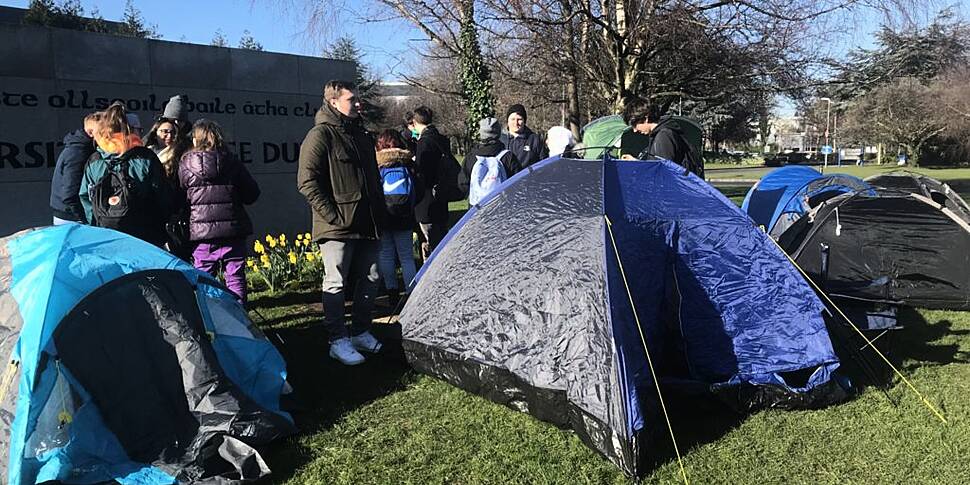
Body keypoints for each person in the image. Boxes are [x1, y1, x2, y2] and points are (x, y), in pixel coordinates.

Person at [298, 80, 386, 366]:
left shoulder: (361, 136)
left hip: (367, 224)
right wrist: (334, 216)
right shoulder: (319, 135)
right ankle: (337, 339)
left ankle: (360, 331)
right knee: (335, 283)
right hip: (337, 227)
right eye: (352, 99)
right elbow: (307, 182)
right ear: (334, 102)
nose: (358, 103)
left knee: (372, 277)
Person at [179, 119, 260, 303]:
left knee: (204, 279)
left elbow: (181, 198)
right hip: (233, 229)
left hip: (202, 234)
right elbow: (252, 194)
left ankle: (211, 321)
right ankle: (239, 321)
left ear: (195, 140)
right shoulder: (232, 162)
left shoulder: (185, 165)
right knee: (235, 278)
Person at [79, 102, 171, 246]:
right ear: (129, 130)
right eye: (137, 129)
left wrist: (96, 225)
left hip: (107, 237)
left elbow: (85, 196)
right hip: (144, 237)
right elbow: (162, 197)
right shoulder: (145, 158)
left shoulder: (95, 160)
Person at [375, 129, 421, 307]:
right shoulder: (408, 164)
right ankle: (410, 293)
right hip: (404, 217)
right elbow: (418, 188)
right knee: (407, 257)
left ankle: (392, 292)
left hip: (385, 216)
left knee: (386, 256)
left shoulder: (378, 165)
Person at [411, 105, 452, 258]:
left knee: (431, 239)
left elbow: (423, 173)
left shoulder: (424, 142)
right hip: (442, 194)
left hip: (428, 200)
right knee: (442, 235)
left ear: (415, 122)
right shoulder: (441, 139)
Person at [50, 112, 100, 225]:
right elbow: (70, 193)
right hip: (70, 218)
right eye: (102, 132)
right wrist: (83, 218)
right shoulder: (79, 153)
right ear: (91, 132)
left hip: (67, 214)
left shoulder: (79, 148)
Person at [461, 117, 521, 195]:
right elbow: (518, 182)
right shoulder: (508, 157)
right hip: (501, 204)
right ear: (498, 134)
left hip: (477, 205)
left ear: (481, 134)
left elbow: (462, 185)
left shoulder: (471, 157)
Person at [502, 104, 547, 168]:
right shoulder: (501, 139)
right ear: (507, 121)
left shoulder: (534, 140)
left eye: (519, 119)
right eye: (513, 119)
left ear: (524, 121)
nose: (516, 123)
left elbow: (543, 164)